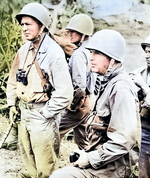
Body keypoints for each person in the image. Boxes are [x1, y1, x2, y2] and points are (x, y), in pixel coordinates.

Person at [49, 29, 141, 178]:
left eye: (97, 53)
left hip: (115, 166)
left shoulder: (121, 88)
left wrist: (91, 158)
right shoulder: (106, 80)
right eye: (91, 52)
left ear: (112, 59)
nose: (91, 58)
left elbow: (124, 140)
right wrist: (87, 153)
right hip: (103, 158)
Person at [6, 2, 73, 178]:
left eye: (29, 24)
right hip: (24, 112)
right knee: (28, 159)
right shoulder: (24, 49)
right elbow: (13, 79)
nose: (24, 29)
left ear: (41, 26)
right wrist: (12, 104)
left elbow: (65, 93)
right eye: (22, 25)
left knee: (45, 166)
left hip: (42, 115)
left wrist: (46, 113)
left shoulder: (54, 53)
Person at [59, 13, 95, 149]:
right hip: (90, 101)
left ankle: (48, 165)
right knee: (83, 140)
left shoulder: (79, 54)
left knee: (54, 130)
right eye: (69, 31)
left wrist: (72, 107)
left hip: (81, 102)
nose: (70, 34)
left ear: (83, 34)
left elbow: (80, 86)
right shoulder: (92, 51)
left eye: (73, 31)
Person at [129, 35, 150, 178]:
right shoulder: (140, 73)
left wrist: (144, 87)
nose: (147, 56)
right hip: (144, 129)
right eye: (146, 52)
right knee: (143, 172)